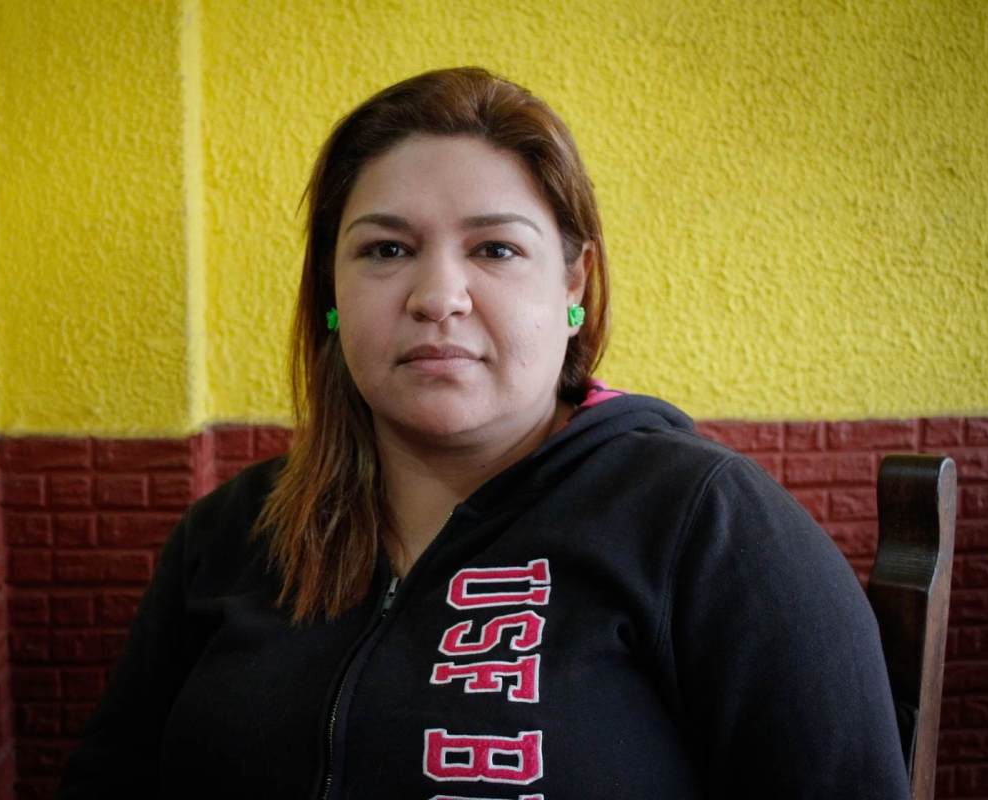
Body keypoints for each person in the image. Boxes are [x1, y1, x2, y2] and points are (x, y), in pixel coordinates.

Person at [59, 67, 909, 799]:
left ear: (572, 284)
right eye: (386, 251)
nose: (438, 296)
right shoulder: (230, 535)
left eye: (496, 250)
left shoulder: (710, 527)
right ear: (330, 291)